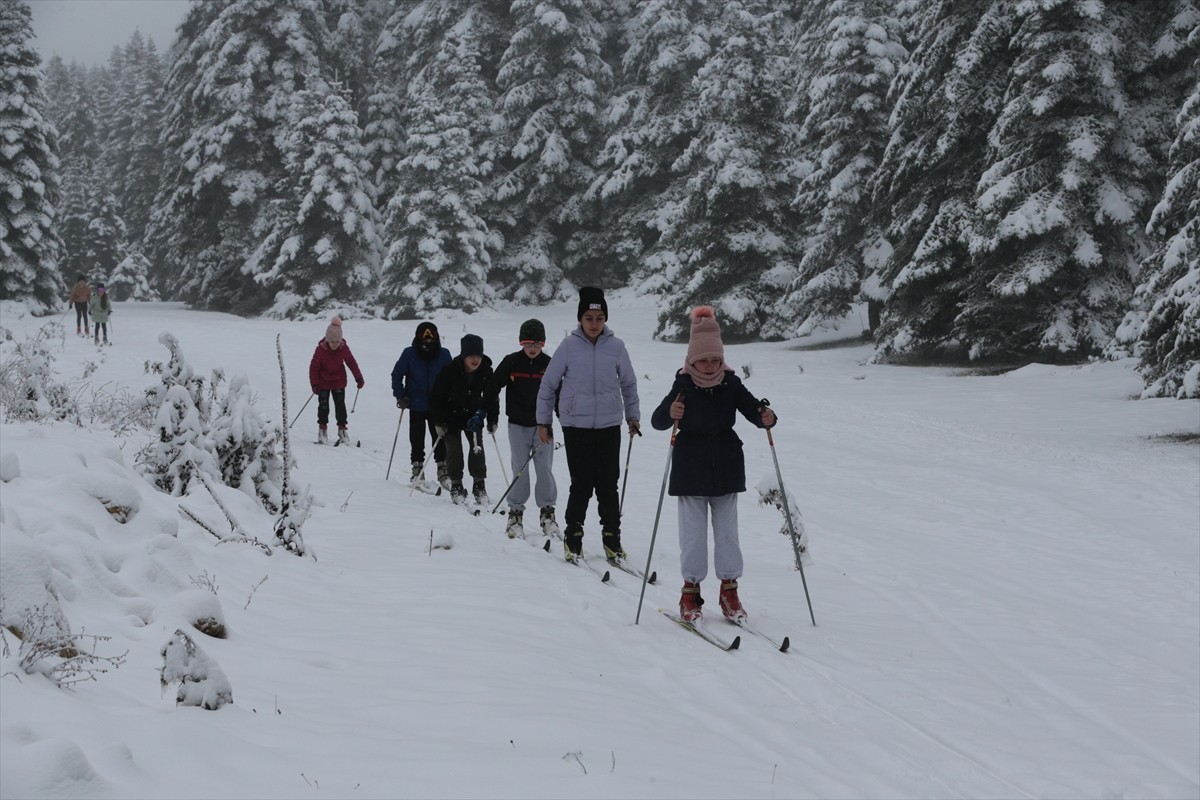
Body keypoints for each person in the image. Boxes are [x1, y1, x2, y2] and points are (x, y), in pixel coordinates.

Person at [650, 306, 777, 624]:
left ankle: (729, 590)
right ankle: (690, 592)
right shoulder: (683, 384)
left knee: (727, 535)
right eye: (703, 360)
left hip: (726, 466)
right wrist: (671, 413)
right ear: (692, 360)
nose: (709, 366)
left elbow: (753, 410)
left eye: (715, 360)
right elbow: (658, 420)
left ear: (722, 359)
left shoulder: (730, 383)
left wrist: (766, 417)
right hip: (690, 468)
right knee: (692, 536)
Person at [536, 287, 640, 563]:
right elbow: (548, 385)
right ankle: (574, 535)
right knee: (581, 483)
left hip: (608, 424)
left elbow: (629, 384)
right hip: (576, 425)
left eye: (599, 318)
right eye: (589, 318)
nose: (594, 323)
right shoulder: (568, 347)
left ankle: (611, 537)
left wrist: (632, 416)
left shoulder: (616, 347)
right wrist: (543, 421)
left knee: (608, 483)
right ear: (580, 319)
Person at [485, 319, 559, 538]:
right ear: (521, 343)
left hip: (542, 426)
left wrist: (563, 419)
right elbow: (492, 387)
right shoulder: (511, 362)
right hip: (517, 425)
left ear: (543, 344)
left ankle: (548, 513)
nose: (532, 349)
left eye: (537, 344)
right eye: (528, 344)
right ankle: (515, 513)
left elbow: (560, 394)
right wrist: (490, 415)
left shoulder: (550, 364)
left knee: (544, 468)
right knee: (519, 468)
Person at [429, 334, 498, 505]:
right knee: (454, 451)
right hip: (451, 416)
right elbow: (436, 397)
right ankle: (456, 484)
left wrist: (492, 419)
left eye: (478, 356)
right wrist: (438, 421)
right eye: (471, 355)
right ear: (464, 355)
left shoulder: (486, 371)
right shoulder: (450, 370)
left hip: (474, 416)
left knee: (477, 449)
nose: (475, 359)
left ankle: (479, 484)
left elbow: (491, 397)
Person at [391, 322, 453, 487]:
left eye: (431, 340)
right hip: (415, 403)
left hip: (438, 406)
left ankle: (443, 467)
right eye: (425, 340)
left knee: (439, 436)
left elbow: (453, 379)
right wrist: (400, 395)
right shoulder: (409, 353)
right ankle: (417, 467)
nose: (428, 344)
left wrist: (450, 398)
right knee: (416, 438)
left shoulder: (444, 354)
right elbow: (397, 374)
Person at [308, 317, 364, 445]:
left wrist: (358, 377)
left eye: (337, 341)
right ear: (327, 340)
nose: (334, 344)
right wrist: (315, 384)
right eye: (332, 341)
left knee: (340, 406)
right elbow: (314, 368)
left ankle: (342, 429)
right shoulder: (321, 350)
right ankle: (322, 430)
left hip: (338, 381)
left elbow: (351, 362)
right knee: (323, 406)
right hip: (323, 382)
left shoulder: (343, 348)